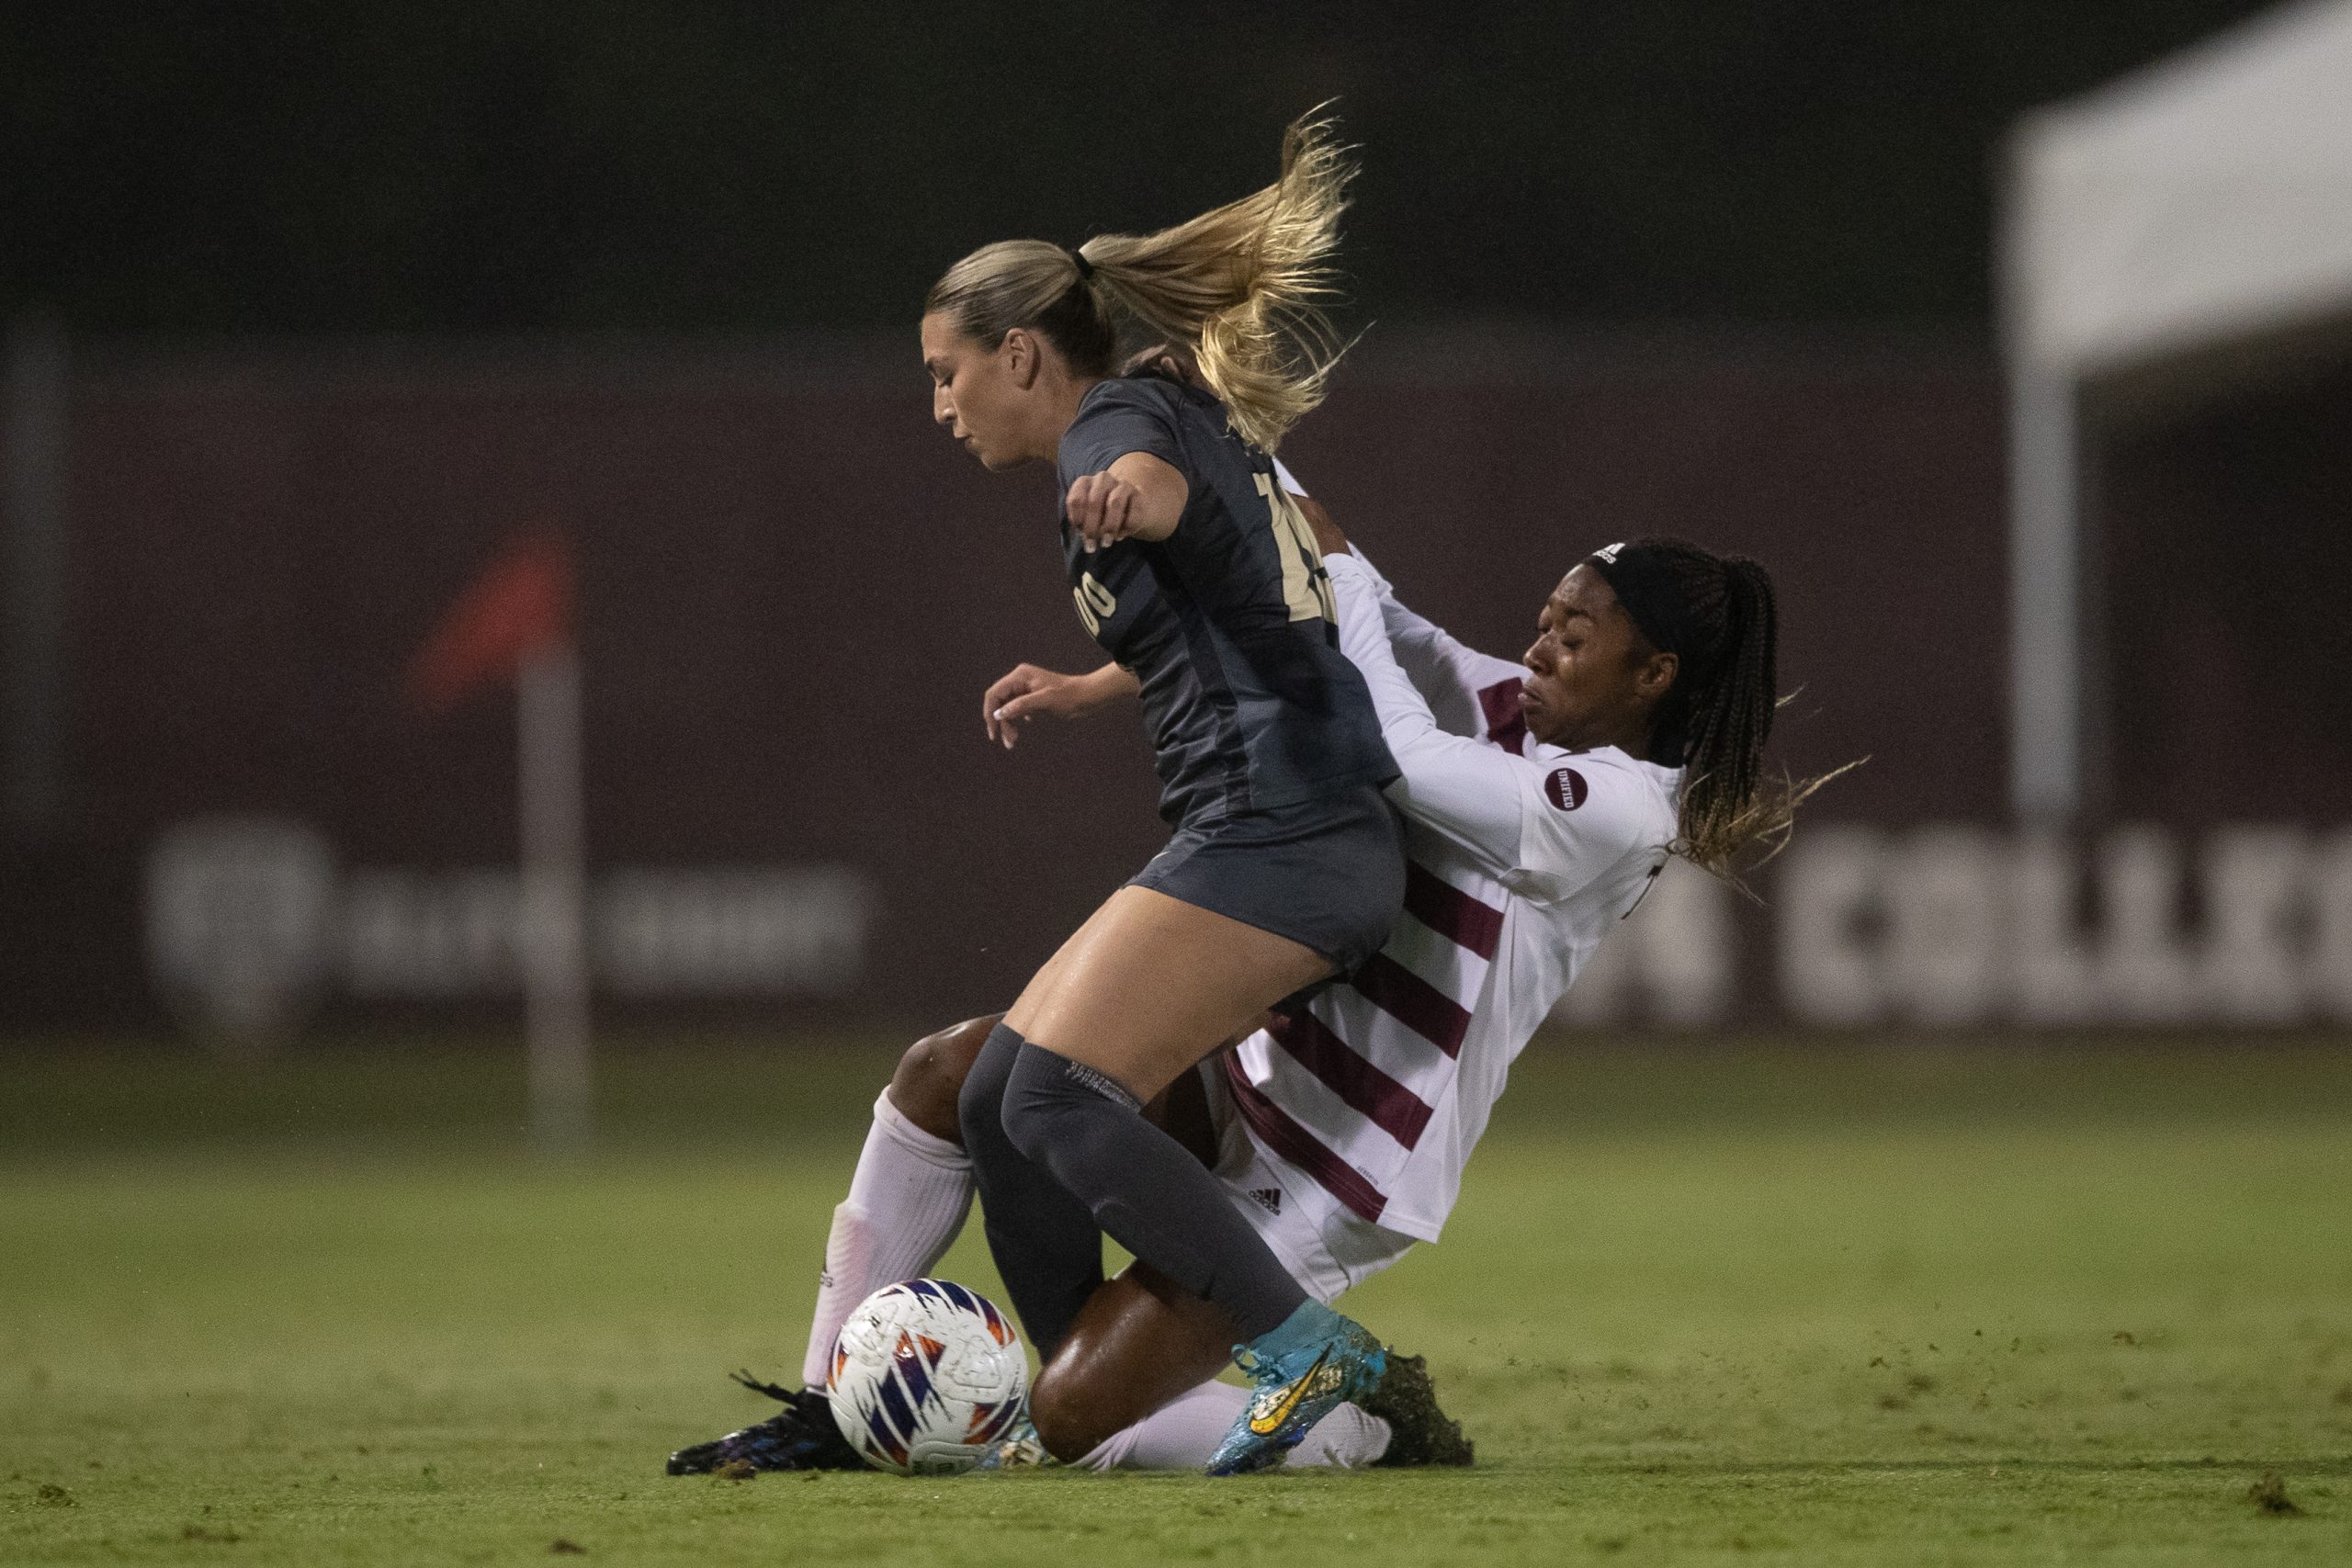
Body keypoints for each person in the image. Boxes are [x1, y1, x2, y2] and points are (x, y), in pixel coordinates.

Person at [668, 475, 1826, 1474]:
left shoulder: (1623, 814)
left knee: (1071, 1419)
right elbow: (1352, 585)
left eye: (1576, 636)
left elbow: (1405, 755)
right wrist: (1209, 433)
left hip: (1342, 1161)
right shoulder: (1509, 704)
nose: (1539, 646)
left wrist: (1343, 583)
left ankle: (1359, 1423)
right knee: (954, 1075)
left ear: (1654, 674)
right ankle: (826, 1402)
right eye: (1544, 618)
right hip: (1250, 1077)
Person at [911, 110, 1407, 1473]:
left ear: (1021, 353)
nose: (940, 404)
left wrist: (1135, 498)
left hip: (1286, 831)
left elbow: (1161, 496)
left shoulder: (1113, 434)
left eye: (949, 374)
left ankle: (1310, 1347)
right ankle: (1105, 1409)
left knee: (1057, 1100)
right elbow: (1262, 579)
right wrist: (1095, 681)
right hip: (1272, 825)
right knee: (1004, 1103)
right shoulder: (1159, 400)